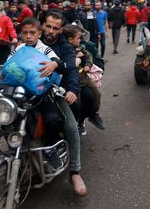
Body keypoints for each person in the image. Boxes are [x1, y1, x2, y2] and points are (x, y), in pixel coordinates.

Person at [41, 11, 86, 196]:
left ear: (61, 30)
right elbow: (15, 56)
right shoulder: (32, 38)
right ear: (42, 25)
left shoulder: (65, 47)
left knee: (71, 127)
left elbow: (72, 69)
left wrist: (73, 90)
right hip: (28, 93)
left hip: (54, 94)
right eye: (48, 26)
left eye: (55, 28)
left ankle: (75, 172)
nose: (50, 31)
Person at [63, 25, 105, 134]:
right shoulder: (65, 50)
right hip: (73, 83)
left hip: (84, 78)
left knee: (96, 94)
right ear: (70, 39)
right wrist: (75, 58)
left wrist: (88, 65)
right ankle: (76, 125)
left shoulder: (80, 47)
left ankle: (93, 114)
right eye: (78, 38)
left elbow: (89, 55)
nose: (81, 40)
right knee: (78, 104)